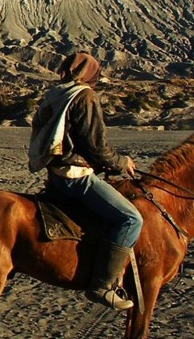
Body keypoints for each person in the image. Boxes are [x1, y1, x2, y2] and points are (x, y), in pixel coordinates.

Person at [28, 51, 142, 311]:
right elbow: (95, 146)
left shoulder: (58, 93)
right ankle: (103, 285)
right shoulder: (84, 96)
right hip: (75, 177)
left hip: (55, 174)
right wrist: (121, 162)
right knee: (131, 219)